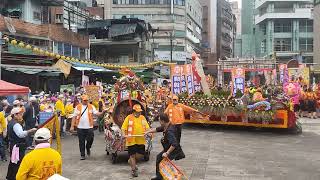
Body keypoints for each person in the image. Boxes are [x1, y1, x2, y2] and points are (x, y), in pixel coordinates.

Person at [145, 113, 185, 180]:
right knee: (159, 158)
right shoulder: (167, 125)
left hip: (173, 150)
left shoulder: (170, 131)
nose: (159, 122)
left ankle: (170, 177)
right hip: (168, 148)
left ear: (163, 121)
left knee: (164, 162)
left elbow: (174, 144)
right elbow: (158, 129)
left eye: (159, 120)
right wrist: (148, 131)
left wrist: (167, 153)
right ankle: (159, 177)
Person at [70, 95, 105, 160]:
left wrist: (102, 112)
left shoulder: (91, 106)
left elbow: (97, 113)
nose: (86, 101)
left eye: (87, 100)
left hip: (89, 127)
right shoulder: (78, 107)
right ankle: (82, 155)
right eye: (84, 100)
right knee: (81, 141)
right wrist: (72, 126)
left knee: (91, 138)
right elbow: (74, 117)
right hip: (80, 127)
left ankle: (88, 147)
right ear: (81, 100)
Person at [6, 107, 37, 180]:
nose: (21, 115)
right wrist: (30, 130)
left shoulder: (12, 122)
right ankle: (15, 177)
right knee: (17, 162)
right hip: (17, 146)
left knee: (13, 161)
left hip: (15, 145)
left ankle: (10, 177)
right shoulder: (16, 124)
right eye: (20, 114)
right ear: (15, 115)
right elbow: (21, 134)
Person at [121, 104, 150, 177]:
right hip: (131, 140)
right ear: (133, 111)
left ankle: (131, 161)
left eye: (140, 111)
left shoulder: (142, 118)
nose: (139, 113)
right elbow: (123, 128)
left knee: (140, 155)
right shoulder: (129, 118)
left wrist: (149, 133)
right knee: (132, 155)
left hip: (141, 140)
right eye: (138, 111)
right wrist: (124, 134)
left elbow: (147, 127)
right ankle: (134, 170)